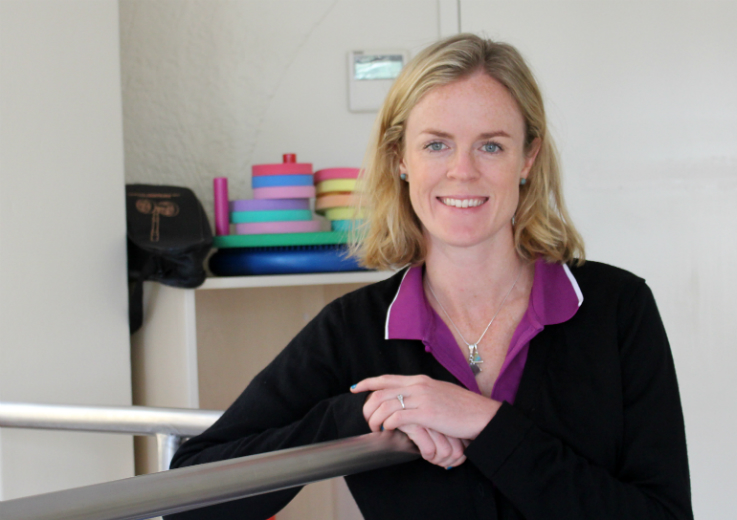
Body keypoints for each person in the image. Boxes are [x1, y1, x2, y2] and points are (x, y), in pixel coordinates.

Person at [167, 34, 693, 520]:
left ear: (527, 157)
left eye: (491, 145)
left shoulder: (618, 308)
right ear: (400, 159)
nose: (462, 171)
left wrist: (486, 424)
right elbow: (190, 497)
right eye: (436, 144)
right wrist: (358, 416)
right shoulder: (354, 329)